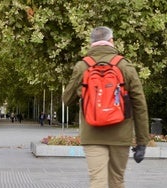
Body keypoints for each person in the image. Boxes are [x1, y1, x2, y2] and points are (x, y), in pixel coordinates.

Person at [62, 26, 149, 188]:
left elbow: (67, 99)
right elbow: (140, 105)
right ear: (111, 41)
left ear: (91, 43)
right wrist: (142, 141)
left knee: (97, 181)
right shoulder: (125, 66)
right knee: (117, 180)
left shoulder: (82, 66)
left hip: (92, 134)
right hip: (121, 135)